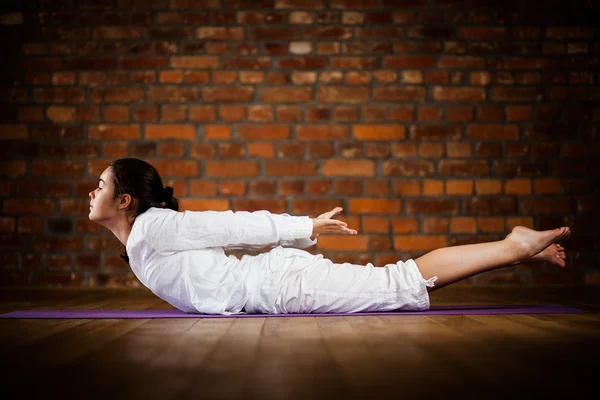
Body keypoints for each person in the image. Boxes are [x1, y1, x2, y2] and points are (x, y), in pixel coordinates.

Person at [88, 158, 570, 315]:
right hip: (272, 285)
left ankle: (514, 245)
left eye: (103, 185)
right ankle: (518, 252)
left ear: (126, 199)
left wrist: (303, 227)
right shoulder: (141, 243)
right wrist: (297, 237)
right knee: (397, 283)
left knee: (399, 283)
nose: (94, 191)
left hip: (279, 286)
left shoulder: (153, 227)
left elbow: (230, 225)